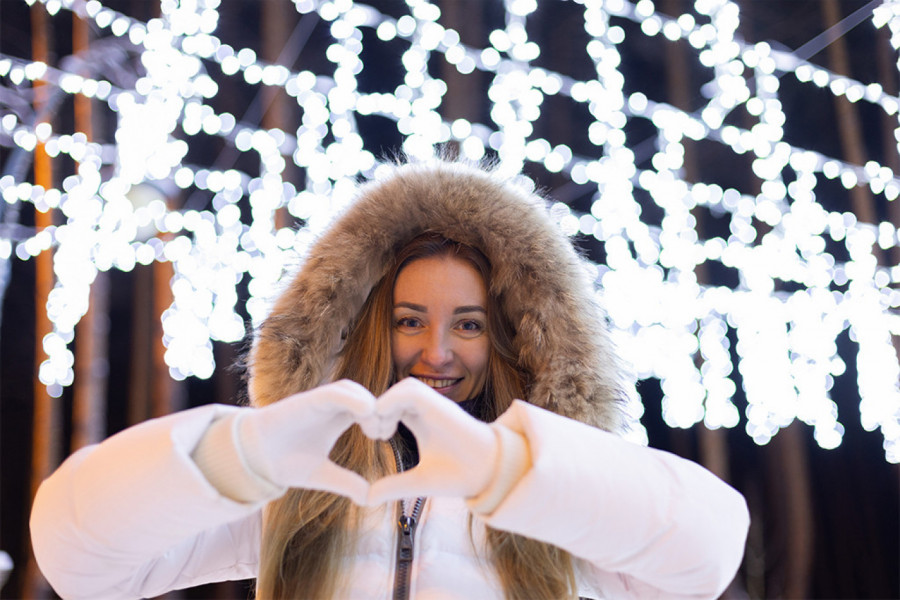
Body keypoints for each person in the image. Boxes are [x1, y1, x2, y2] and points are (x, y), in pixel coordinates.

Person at [30, 158, 749, 600]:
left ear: (508, 338)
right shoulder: (302, 489)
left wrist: (509, 472)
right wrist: (238, 457)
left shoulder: (562, 499)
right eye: (410, 320)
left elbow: (706, 553)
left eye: (467, 324)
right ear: (369, 327)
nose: (437, 350)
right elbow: (81, 561)